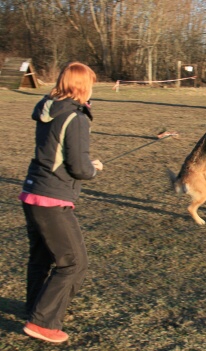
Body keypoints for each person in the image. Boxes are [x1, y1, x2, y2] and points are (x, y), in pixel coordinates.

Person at [19, 62, 103, 343]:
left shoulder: (49, 108)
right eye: (90, 83)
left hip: (32, 192)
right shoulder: (76, 117)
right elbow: (79, 167)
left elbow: (58, 154)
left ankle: (35, 310)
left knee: (41, 258)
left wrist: (84, 164)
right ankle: (42, 323)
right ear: (82, 86)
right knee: (74, 263)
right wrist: (92, 168)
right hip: (52, 199)